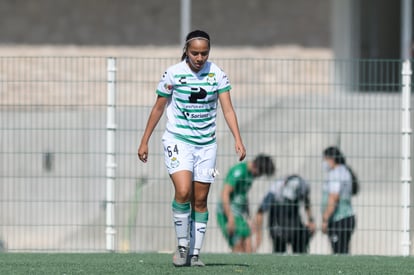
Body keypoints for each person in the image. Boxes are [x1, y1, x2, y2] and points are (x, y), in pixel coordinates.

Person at [137, 30, 246, 267]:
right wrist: (145, 139)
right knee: (184, 191)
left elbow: (227, 109)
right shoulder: (173, 74)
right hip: (178, 141)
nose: (199, 57)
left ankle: (195, 254)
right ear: (186, 51)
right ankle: (182, 246)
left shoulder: (217, 74)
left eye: (204, 53)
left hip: (206, 145)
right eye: (195, 53)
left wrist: (238, 138)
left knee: (200, 199)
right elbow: (158, 108)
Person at [217, 154, 275, 253]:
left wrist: (248, 218)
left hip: (238, 215)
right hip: (226, 213)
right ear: (255, 166)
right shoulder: (239, 172)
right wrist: (230, 218)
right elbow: (225, 194)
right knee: (238, 245)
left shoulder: (250, 175)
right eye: (260, 173)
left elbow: (243, 196)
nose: (259, 176)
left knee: (248, 246)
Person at [255, 175, 316, 253]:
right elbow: (261, 210)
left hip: (293, 222)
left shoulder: (302, 185)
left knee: (301, 239)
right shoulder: (275, 189)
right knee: (279, 247)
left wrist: (311, 220)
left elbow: (306, 202)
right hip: (277, 220)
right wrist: (259, 234)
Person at [321, 146, 359, 254]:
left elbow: (333, 198)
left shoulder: (336, 173)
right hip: (346, 218)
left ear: (331, 159)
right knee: (343, 252)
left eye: (324, 159)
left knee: (339, 254)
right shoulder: (344, 171)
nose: (324, 162)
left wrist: (325, 219)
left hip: (339, 219)